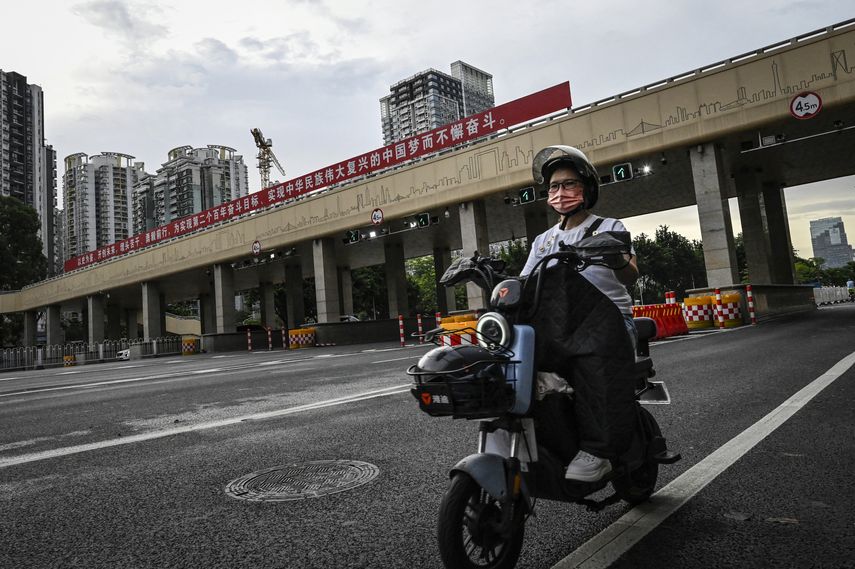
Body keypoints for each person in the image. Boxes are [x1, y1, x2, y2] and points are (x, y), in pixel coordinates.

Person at [520, 145, 639, 483]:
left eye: (569, 184)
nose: (561, 192)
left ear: (586, 188)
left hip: (610, 324)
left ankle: (598, 451)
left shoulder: (607, 226)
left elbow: (630, 273)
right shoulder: (542, 241)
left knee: (590, 361)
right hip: (561, 330)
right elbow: (526, 283)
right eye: (554, 186)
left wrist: (614, 254)